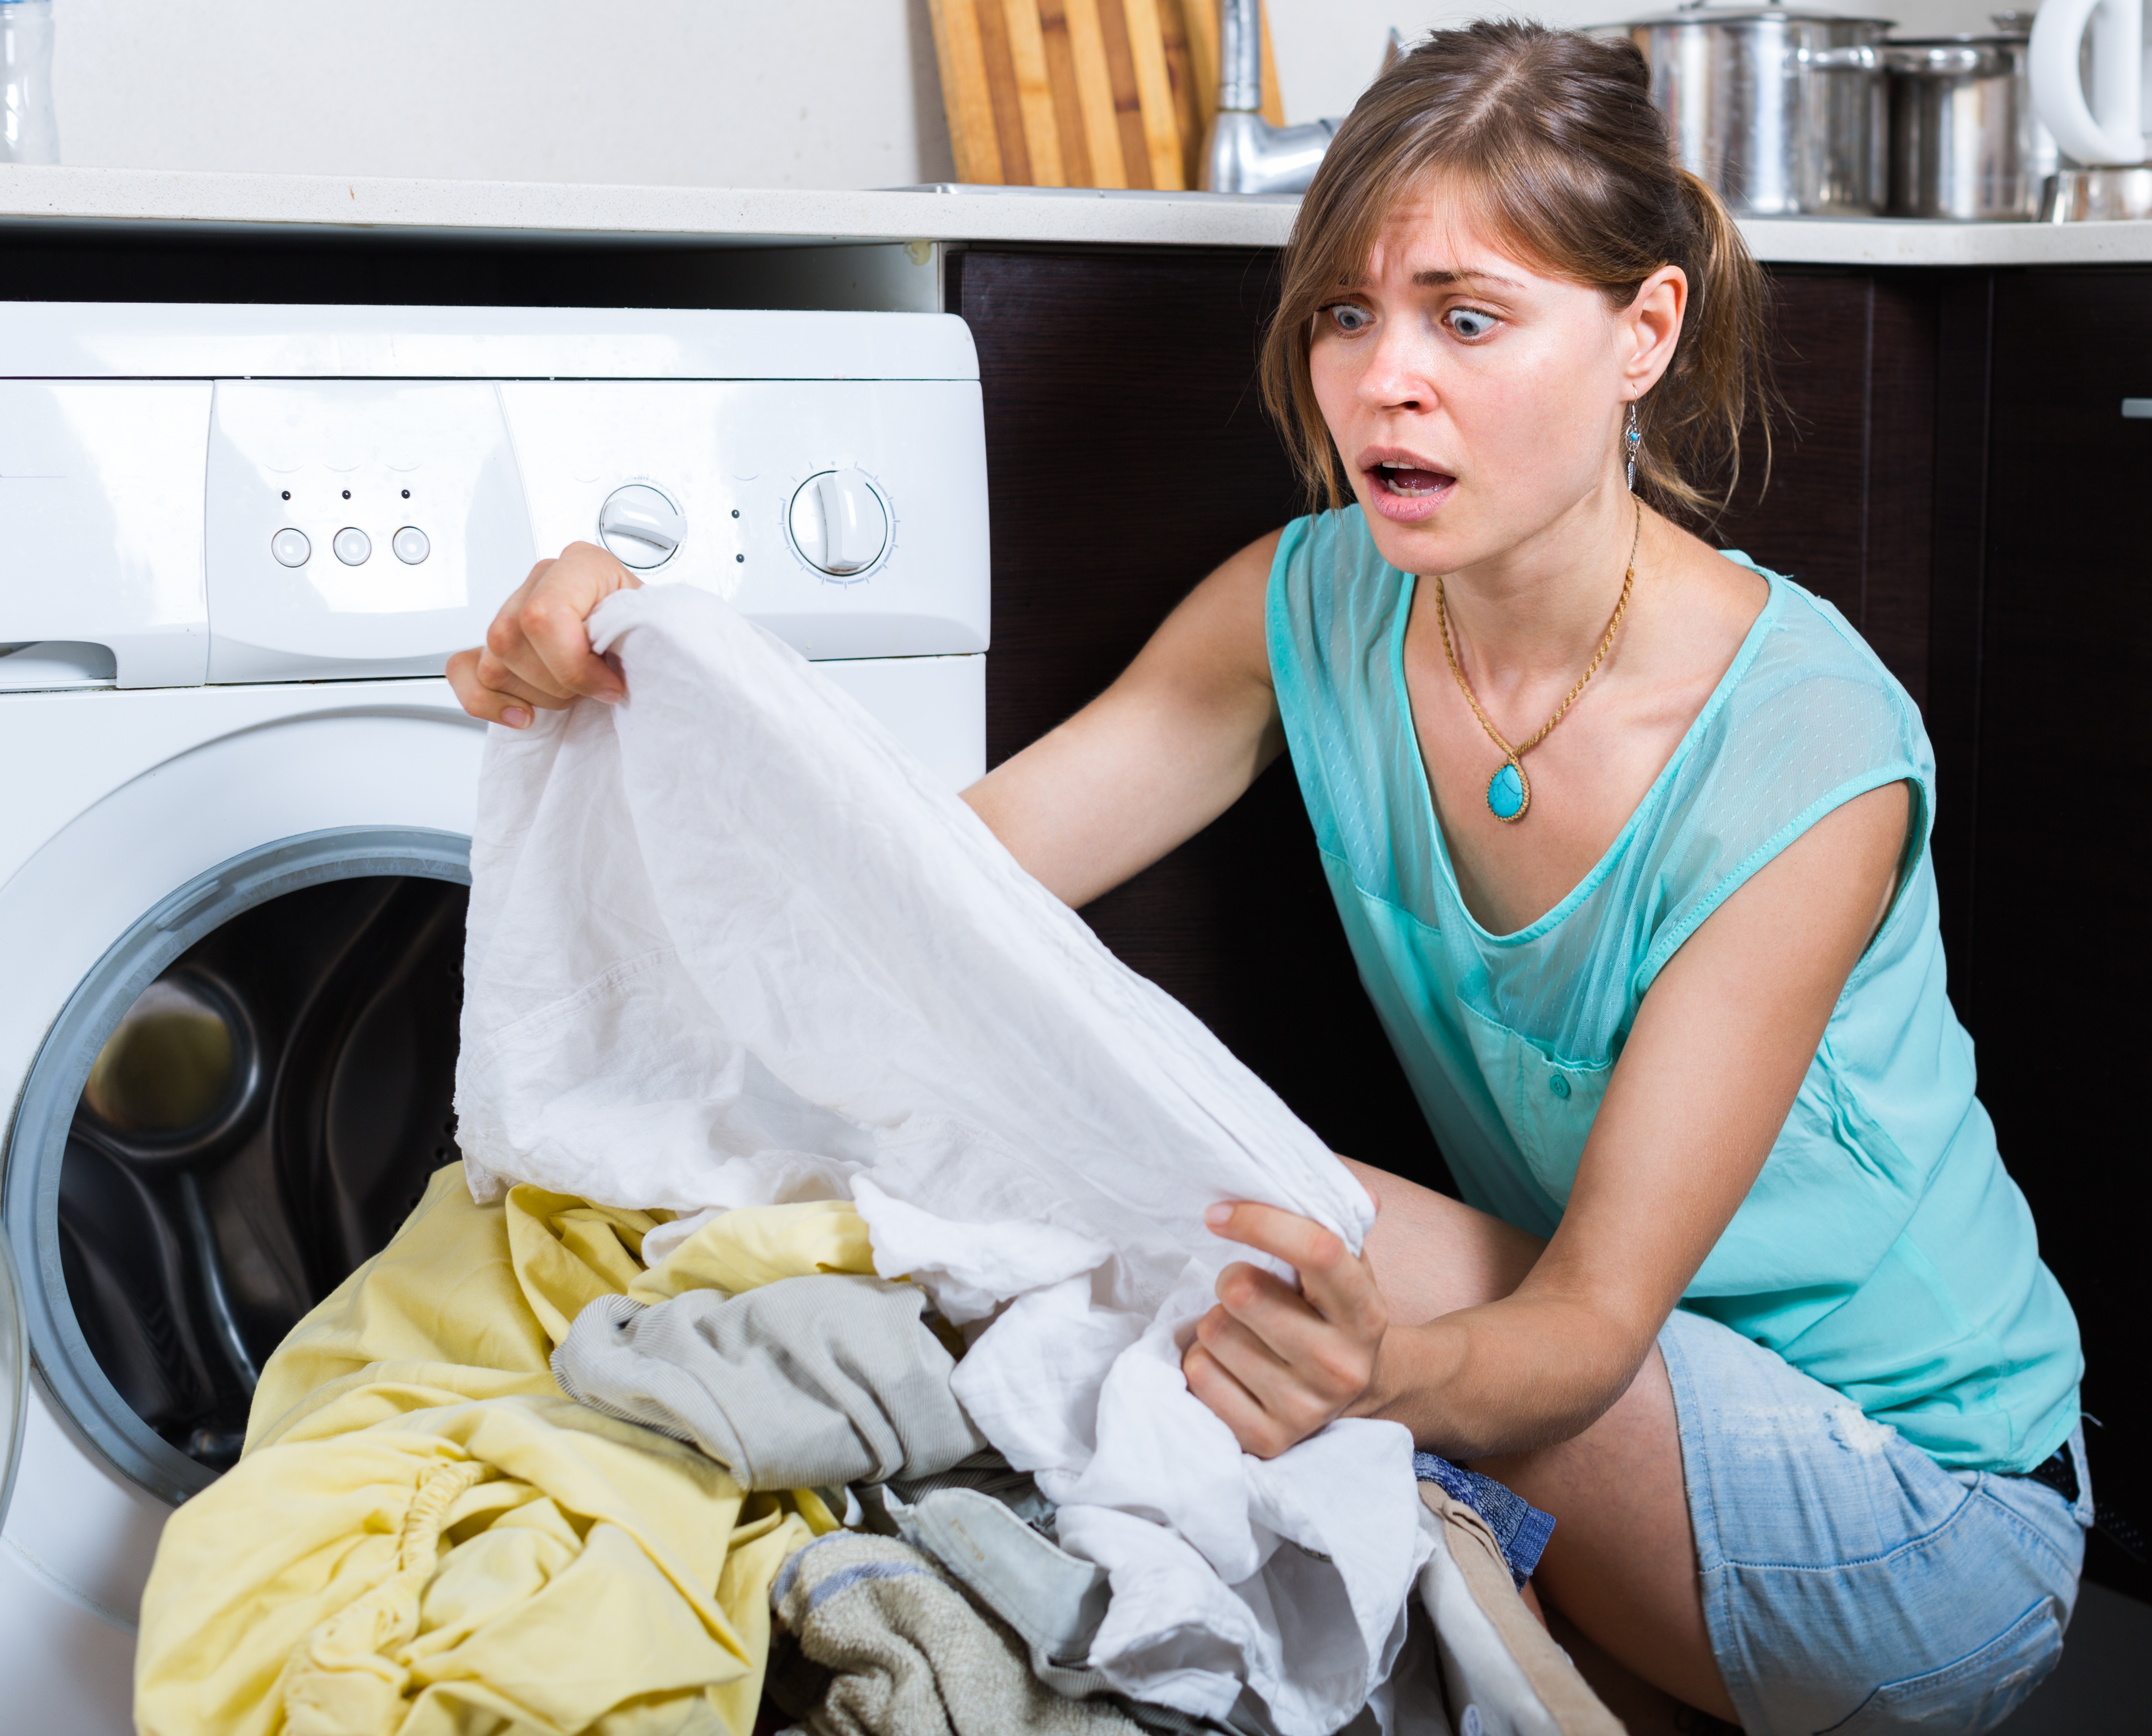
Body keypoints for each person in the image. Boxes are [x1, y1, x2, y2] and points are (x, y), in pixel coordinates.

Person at [447, 23, 2088, 1734]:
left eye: (1468, 318)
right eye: (1346, 315)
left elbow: (1595, 1322)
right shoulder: (1312, 608)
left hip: (1929, 1520)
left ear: (1642, 334)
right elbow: (928, 906)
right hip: (1629, 1442)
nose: (1386, 380)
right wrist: (642, 652)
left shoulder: (1806, 751)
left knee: (1245, 1208)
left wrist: (1387, 1378)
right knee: (1179, 1191)